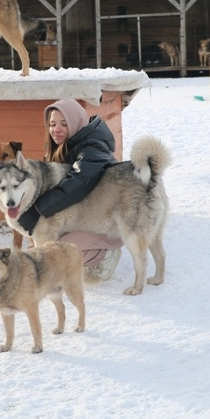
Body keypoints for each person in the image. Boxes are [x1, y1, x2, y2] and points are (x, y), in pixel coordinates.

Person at [17, 97, 123, 281]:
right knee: (46, 246)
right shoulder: (62, 147)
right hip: (81, 217)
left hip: (104, 222)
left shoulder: (91, 147)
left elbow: (78, 182)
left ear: (75, 123)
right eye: (52, 124)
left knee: (56, 254)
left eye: (64, 124)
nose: (56, 130)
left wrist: (38, 210)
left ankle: (104, 254)